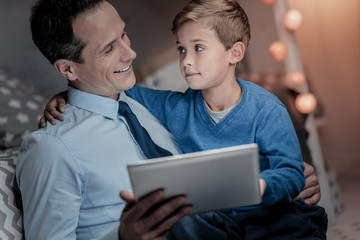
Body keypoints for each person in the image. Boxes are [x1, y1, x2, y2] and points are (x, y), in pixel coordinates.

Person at [40, 0, 327, 239]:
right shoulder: (173, 107)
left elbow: (290, 173)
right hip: (218, 223)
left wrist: (259, 184)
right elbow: (113, 89)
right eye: (181, 49)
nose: (186, 61)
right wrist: (68, 94)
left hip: (269, 215)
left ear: (234, 52)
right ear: (67, 68)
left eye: (198, 48)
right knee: (182, 223)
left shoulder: (266, 109)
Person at [16, 0, 193, 239]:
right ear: (68, 69)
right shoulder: (51, 149)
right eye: (108, 49)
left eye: (123, 34)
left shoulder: (142, 104)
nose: (131, 53)